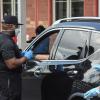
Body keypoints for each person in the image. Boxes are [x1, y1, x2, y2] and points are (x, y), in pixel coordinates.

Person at [0, 15, 33, 100]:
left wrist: (19, 54)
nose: (17, 29)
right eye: (16, 26)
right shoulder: (6, 42)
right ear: (11, 26)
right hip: (9, 82)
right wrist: (26, 57)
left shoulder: (3, 38)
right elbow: (12, 64)